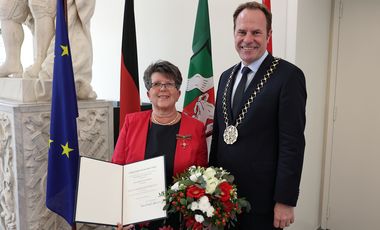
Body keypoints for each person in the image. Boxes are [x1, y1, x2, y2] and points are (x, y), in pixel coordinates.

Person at [209, 2, 306, 230]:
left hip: (263, 202)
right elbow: (219, 137)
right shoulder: (225, 77)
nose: (248, 39)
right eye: (242, 32)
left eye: (256, 32)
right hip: (224, 198)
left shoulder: (288, 76)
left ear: (269, 35)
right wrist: (209, 186)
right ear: (234, 33)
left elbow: (292, 144)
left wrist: (285, 200)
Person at [113, 60, 208, 230]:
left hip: (180, 220)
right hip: (136, 220)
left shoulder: (195, 128)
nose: (163, 89)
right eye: (157, 84)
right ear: (148, 93)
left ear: (178, 93)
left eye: (169, 84)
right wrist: (119, 216)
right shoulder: (131, 123)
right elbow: (116, 171)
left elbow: (202, 178)